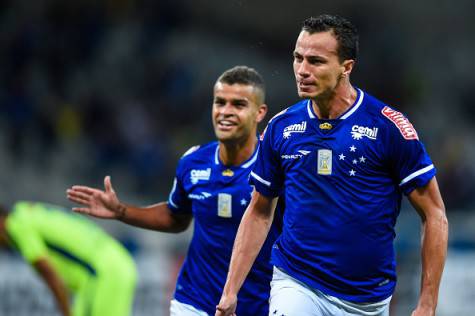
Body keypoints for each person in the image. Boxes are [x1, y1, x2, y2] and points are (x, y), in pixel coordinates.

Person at [216, 15, 448, 316]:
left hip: (366, 298)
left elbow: (434, 214)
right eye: (298, 58)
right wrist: (230, 290)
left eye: (315, 61)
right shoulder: (281, 128)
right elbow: (260, 211)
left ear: (346, 67)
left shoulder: (389, 128)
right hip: (296, 282)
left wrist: (427, 304)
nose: (302, 70)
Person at [67, 66, 281, 315]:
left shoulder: (276, 165)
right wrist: (122, 211)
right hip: (193, 301)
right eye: (220, 102)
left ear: (259, 112)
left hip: (255, 305)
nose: (226, 112)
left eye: (238, 105)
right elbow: (175, 217)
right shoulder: (193, 161)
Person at [0, 201, 137, 316]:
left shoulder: (17, 226)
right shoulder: (26, 212)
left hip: (101, 272)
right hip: (114, 263)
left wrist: (65, 311)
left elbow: (49, 273)